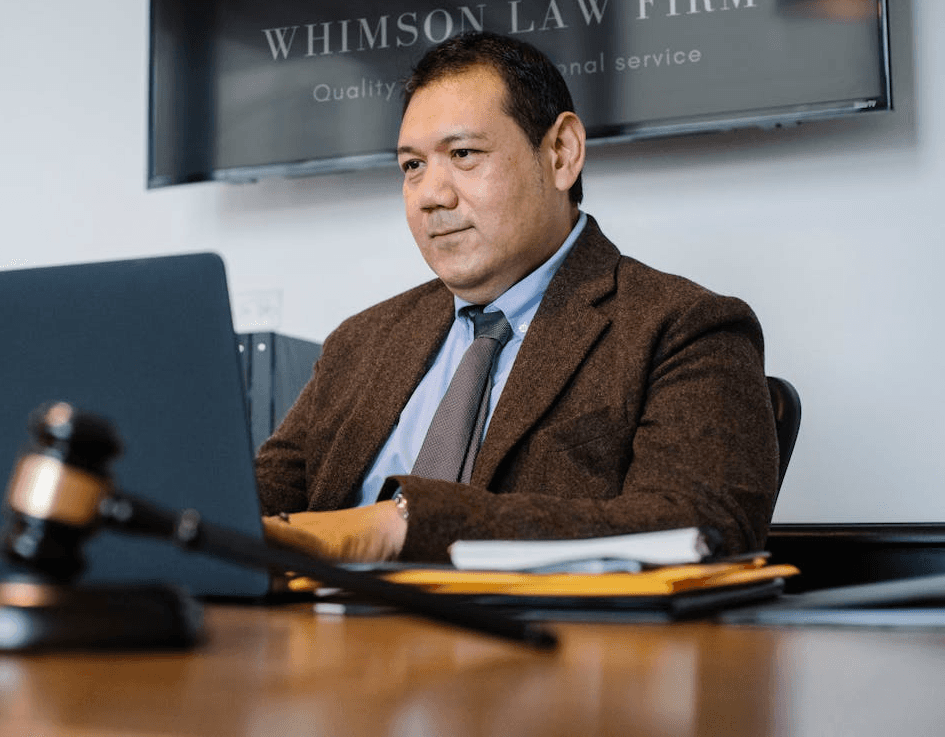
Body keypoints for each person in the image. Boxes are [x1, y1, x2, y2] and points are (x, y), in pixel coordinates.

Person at [258, 31, 778, 564]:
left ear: (561, 154)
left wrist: (400, 525)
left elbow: (704, 528)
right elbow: (242, 506)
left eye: (463, 154)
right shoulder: (360, 342)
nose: (432, 196)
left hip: (542, 644)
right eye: (412, 166)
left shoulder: (685, 328)